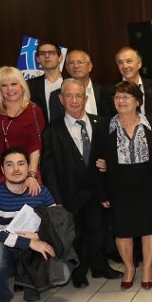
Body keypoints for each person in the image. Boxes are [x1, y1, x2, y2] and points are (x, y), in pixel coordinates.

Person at [41, 78, 122, 288]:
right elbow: (48, 169)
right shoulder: (52, 131)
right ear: (61, 99)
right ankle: (78, 271)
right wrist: (56, 199)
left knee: (99, 231)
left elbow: (113, 155)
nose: (74, 100)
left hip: (97, 192)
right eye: (69, 95)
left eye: (79, 95)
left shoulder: (102, 123)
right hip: (69, 193)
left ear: (85, 98)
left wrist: (109, 166)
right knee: (75, 235)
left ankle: (100, 266)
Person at [94, 81, 152, 290]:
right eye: (117, 97)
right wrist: (102, 192)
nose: (121, 101)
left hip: (148, 184)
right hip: (118, 185)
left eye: (126, 96)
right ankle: (129, 268)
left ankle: (148, 268)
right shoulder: (104, 126)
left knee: (149, 227)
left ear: (138, 100)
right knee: (122, 230)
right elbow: (97, 161)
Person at [0, 147, 57, 302]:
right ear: (2, 169)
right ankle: (1, 300)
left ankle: (30, 282)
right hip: (6, 253)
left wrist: (38, 235)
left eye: (21, 164)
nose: (16, 169)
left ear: (29, 168)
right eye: (10, 164)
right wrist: (28, 242)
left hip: (29, 256)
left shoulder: (41, 192)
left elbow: (59, 225)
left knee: (44, 239)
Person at [0, 66, 45, 195]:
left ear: (22, 86)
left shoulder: (33, 110)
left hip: (25, 174)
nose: (9, 89)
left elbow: (35, 146)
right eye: (4, 85)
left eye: (14, 84)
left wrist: (32, 175)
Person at [49, 49, 114, 120]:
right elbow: (56, 126)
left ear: (90, 66)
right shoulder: (56, 96)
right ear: (67, 68)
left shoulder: (104, 91)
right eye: (71, 63)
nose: (76, 66)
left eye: (80, 62)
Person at [26, 40, 65, 123]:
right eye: (42, 53)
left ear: (60, 58)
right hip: (44, 132)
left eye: (51, 53)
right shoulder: (30, 85)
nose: (47, 56)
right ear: (38, 59)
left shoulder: (73, 82)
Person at [113, 47, 152, 117]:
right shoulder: (109, 90)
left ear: (139, 64)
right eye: (120, 62)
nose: (125, 66)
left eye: (129, 61)